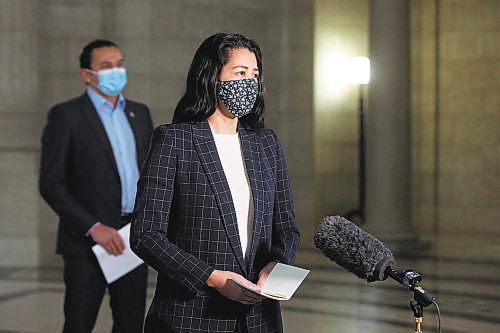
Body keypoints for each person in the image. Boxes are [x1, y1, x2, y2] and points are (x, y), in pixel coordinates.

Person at [130, 32, 300, 333]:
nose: (250, 82)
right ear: (213, 77)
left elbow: (286, 228)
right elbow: (146, 235)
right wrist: (212, 277)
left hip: (260, 319)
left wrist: (279, 264)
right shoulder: (174, 140)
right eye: (240, 73)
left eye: (255, 74)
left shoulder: (267, 144)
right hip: (191, 316)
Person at [39, 39, 154, 333]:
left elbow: (151, 174)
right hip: (86, 244)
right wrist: (94, 227)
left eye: (119, 64)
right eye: (106, 66)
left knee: (130, 325)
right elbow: (51, 184)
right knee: (79, 323)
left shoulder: (139, 114)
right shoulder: (66, 116)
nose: (115, 71)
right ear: (86, 74)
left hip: (132, 240)